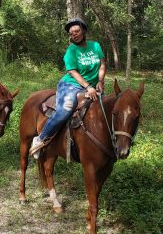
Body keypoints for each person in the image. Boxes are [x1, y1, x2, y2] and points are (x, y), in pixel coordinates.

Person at [29, 17, 106, 158]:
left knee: (108, 109)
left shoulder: (95, 46)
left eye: (76, 31)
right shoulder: (71, 51)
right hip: (71, 85)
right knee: (66, 110)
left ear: (83, 31)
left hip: (93, 86)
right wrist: (89, 86)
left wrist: (100, 81)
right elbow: (73, 72)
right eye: (71, 33)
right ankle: (40, 139)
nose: (74, 34)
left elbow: (102, 64)